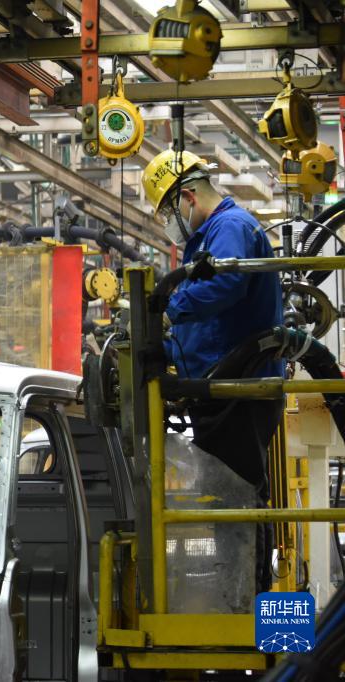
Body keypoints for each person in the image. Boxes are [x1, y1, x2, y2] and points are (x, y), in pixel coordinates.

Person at [143, 148, 284, 594]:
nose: (169, 223)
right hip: (222, 390)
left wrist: (168, 310)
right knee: (228, 498)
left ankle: (247, 597)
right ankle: (235, 588)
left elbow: (226, 283)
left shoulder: (230, 227)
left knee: (239, 496)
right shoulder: (207, 240)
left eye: (167, 212)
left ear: (187, 196)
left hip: (240, 389)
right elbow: (205, 330)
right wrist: (163, 348)